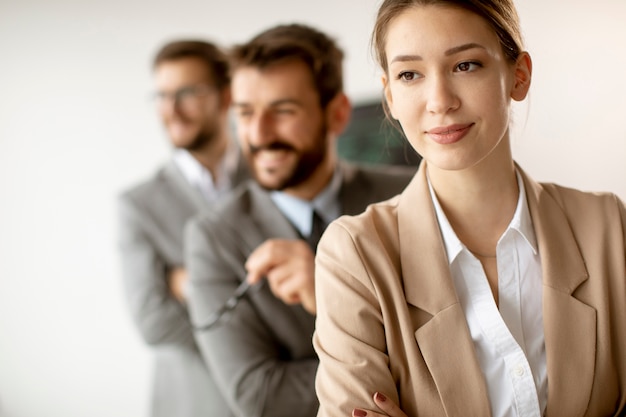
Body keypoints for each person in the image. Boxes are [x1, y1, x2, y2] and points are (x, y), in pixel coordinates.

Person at [313, 1, 626, 417]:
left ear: (519, 75)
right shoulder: (355, 252)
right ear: (390, 96)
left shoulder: (606, 225)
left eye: (466, 65)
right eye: (410, 74)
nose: (439, 101)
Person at [184, 23, 416, 417]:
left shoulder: (411, 197)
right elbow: (260, 396)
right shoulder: (212, 237)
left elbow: (463, 342)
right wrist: (404, 371)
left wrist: (330, 299)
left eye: (283, 111)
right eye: (244, 113)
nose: (258, 134)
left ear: (338, 114)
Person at [117, 40, 249, 417]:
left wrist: (196, 287)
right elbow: (154, 322)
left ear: (226, 97)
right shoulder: (137, 205)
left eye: (186, 93)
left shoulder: (271, 176)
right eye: (161, 95)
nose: (170, 110)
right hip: (195, 403)